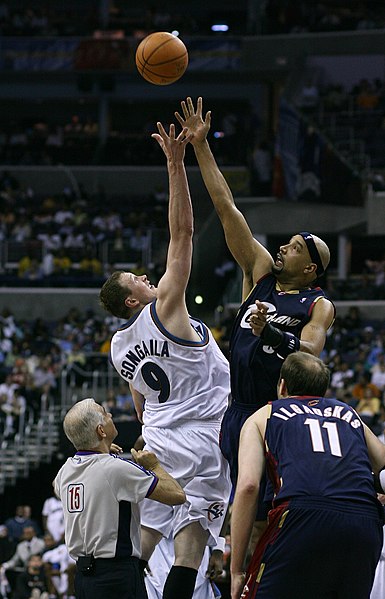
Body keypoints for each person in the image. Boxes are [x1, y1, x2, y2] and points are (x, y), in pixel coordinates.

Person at [175, 96, 335, 530]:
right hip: (236, 408)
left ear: (311, 268)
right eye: (288, 242)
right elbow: (227, 207)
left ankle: (253, 580)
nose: (285, 247)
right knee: (237, 504)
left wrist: (269, 333)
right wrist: (201, 146)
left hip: (275, 412)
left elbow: (310, 353)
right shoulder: (260, 272)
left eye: (297, 248)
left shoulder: (318, 305)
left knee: (262, 506)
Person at [99, 122, 231, 599]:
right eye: (136, 278)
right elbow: (183, 231)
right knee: (190, 549)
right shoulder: (165, 309)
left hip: (154, 442)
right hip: (201, 437)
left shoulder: (118, 348)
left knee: (143, 543)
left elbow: (138, 406)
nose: (145, 275)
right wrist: (176, 164)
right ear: (132, 300)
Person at [230, 352, 385, 599]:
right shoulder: (349, 413)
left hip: (302, 516)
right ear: (323, 390)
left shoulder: (264, 415)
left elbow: (248, 486)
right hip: (363, 521)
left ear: (282, 385)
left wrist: (237, 570)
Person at [53, 397, 186, 599]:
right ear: (101, 431)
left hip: (83, 578)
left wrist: (104, 452)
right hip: (116, 576)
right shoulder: (116, 469)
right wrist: (154, 466)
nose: (111, 415)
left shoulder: (65, 471)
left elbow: (62, 487)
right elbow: (177, 495)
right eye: (105, 413)